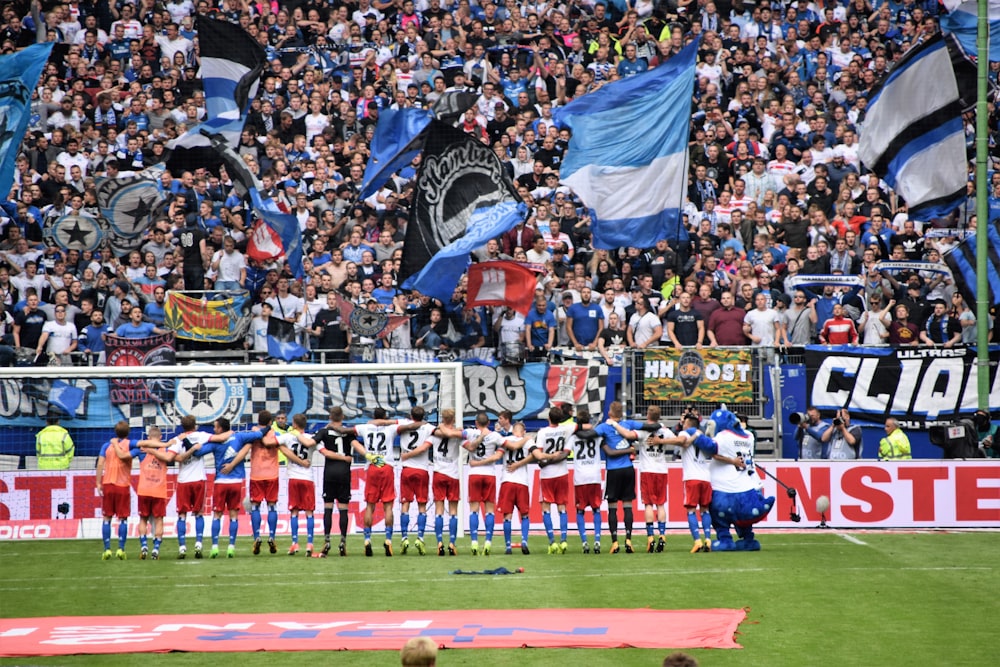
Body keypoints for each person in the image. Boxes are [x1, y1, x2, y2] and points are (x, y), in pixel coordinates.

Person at [334, 408, 426, 557]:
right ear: (384, 417)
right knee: (388, 505)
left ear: (373, 417)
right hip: (386, 466)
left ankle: (367, 539)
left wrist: (331, 426)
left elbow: (344, 430)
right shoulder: (391, 428)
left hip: (373, 466)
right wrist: (423, 422)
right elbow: (411, 426)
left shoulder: (365, 427)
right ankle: (388, 539)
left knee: (370, 505)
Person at [708, 408, 775, 551]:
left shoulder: (723, 436)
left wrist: (696, 437)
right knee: (743, 517)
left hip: (726, 487)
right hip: (748, 483)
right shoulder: (749, 436)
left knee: (719, 517)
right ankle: (748, 539)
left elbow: (711, 449)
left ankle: (725, 540)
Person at [204, 414, 268, 558]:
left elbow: (199, 451)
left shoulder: (214, 442)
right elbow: (259, 434)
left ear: (220, 429)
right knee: (233, 515)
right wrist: (268, 425)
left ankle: (214, 547)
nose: (214, 430)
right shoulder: (239, 437)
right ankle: (231, 547)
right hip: (236, 482)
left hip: (220, 482)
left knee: (217, 515)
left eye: (215, 427)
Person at [594, 401, 642, 554]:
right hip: (628, 469)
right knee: (627, 505)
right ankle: (628, 539)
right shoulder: (628, 424)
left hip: (614, 471)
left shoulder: (604, 427)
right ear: (621, 414)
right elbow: (649, 425)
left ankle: (614, 541)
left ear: (609, 413)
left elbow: (590, 435)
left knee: (612, 507)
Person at [164, 415, 212, 558]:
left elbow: (175, 458)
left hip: (184, 480)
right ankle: (198, 543)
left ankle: (182, 547)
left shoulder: (178, 440)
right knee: (199, 513)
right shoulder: (201, 436)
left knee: (182, 515)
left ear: (182, 426)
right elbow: (219, 439)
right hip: (198, 479)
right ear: (195, 425)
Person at [638, 407, 683, 552]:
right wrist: (662, 440)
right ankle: (662, 535)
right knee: (661, 504)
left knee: (648, 504)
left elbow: (630, 435)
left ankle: (650, 537)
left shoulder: (643, 430)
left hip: (647, 470)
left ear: (647, 415)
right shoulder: (664, 430)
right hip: (661, 469)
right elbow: (677, 440)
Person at [314, 407, 356, 557]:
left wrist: (325, 428)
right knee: (343, 507)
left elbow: (314, 441)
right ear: (343, 416)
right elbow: (356, 444)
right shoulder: (348, 433)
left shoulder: (324, 432)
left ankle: (327, 540)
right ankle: (343, 541)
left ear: (330, 416)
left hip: (330, 473)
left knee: (328, 507)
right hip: (344, 472)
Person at [533, 406, 575, 554]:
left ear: (549, 418)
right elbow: (579, 425)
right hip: (562, 472)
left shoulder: (542, 432)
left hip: (547, 474)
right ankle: (563, 540)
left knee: (546, 509)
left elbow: (538, 453)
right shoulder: (567, 429)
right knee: (562, 508)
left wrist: (547, 459)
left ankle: (552, 542)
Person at [463, 412, 506, 556]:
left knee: (474, 509)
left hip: (474, 473)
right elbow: (508, 445)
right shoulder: (495, 436)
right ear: (488, 423)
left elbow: (457, 433)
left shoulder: (470, 433)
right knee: (489, 510)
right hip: (489, 474)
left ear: (476, 423)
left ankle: (474, 541)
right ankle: (488, 541)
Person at [277, 414, 318, 556]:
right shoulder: (311, 438)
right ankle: (310, 543)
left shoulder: (287, 437)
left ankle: (295, 543)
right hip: (308, 478)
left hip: (293, 477)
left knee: (294, 511)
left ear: (294, 424)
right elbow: (321, 448)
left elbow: (273, 442)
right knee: (309, 512)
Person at [398, 407, 436, 555]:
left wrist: (406, 455)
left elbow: (392, 424)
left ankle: (404, 538)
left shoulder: (403, 424)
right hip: (422, 470)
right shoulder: (428, 428)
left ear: (411, 416)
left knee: (405, 504)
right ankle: (420, 537)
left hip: (407, 469)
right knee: (422, 505)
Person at [427, 408, 464, 556]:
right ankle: (452, 543)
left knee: (439, 509)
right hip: (453, 474)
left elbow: (425, 445)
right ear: (453, 419)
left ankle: (439, 542)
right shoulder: (458, 434)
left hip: (438, 473)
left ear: (442, 418)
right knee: (453, 511)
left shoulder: (434, 432)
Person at [676, 410, 715, 553]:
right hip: (706, 477)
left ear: (688, 424)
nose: (682, 424)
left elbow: (683, 444)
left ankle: (697, 541)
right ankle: (708, 539)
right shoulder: (703, 438)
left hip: (692, 477)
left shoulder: (685, 433)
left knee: (691, 510)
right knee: (705, 510)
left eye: (684, 422)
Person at [497, 421, 539, 554]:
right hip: (522, 482)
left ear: (513, 430)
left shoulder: (505, 440)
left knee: (507, 515)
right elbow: (535, 455)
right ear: (523, 431)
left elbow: (499, 453)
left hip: (507, 480)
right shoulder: (528, 441)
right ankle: (524, 541)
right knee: (525, 514)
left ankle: (508, 546)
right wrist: (521, 463)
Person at [96, 421, 135, 560]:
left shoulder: (106, 445)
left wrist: (98, 482)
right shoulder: (129, 445)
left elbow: (100, 463)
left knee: (107, 518)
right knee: (123, 518)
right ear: (128, 432)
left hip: (108, 484)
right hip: (122, 486)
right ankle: (121, 549)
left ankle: (107, 549)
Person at [134, 427, 172, 560]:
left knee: (143, 519)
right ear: (161, 437)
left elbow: (127, 453)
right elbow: (171, 458)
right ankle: (155, 549)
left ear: (148, 438)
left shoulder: (142, 450)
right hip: (159, 491)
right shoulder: (165, 449)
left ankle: (144, 546)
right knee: (159, 520)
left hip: (144, 489)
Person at [570, 408, 603, 553]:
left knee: (580, 511)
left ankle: (584, 542)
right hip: (595, 476)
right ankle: (597, 540)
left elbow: (564, 452)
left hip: (580, 478)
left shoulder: (572, 437)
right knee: (596, 509)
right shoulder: (597, 436)